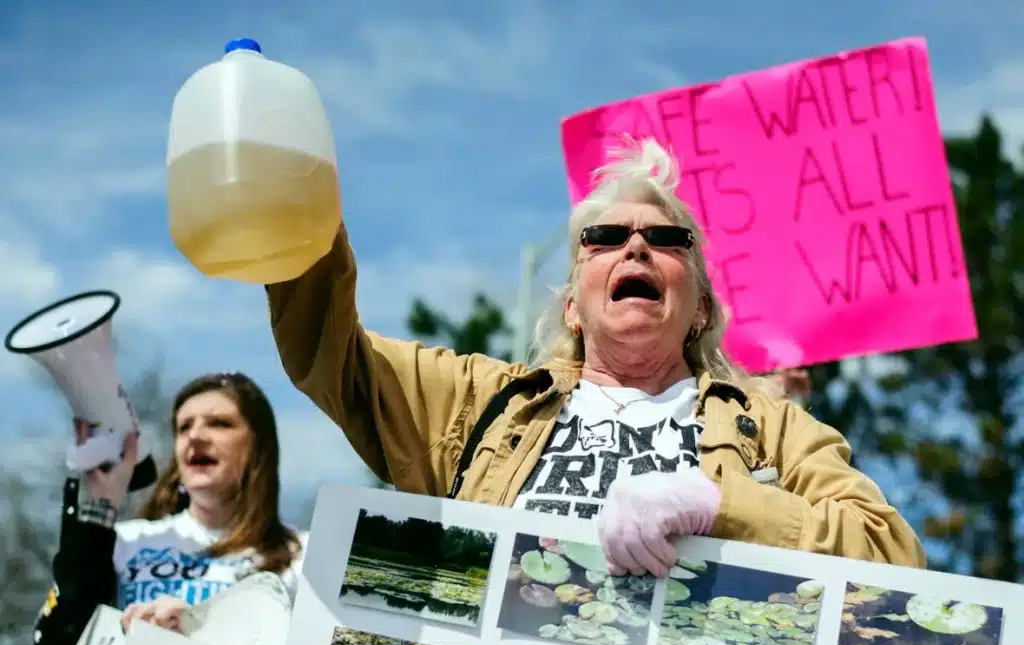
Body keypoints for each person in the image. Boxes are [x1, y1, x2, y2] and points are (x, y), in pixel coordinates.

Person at [264, 137, 925, 580]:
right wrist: (294, 208)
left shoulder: (773, 427)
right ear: (574, 306)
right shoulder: (478, 403)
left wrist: (718, 504)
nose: (636, 247)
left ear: (699, 308)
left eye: (667, 239)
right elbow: (332, 353)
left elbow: (892, 558)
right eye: (604, 238)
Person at [33, 371, 307, 645]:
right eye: (184, 427)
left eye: (219, 423)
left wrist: (200, 634)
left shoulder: (303, 555)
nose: (196, 435)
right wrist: (97, 507)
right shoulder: (126, 541)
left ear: (259, 445)